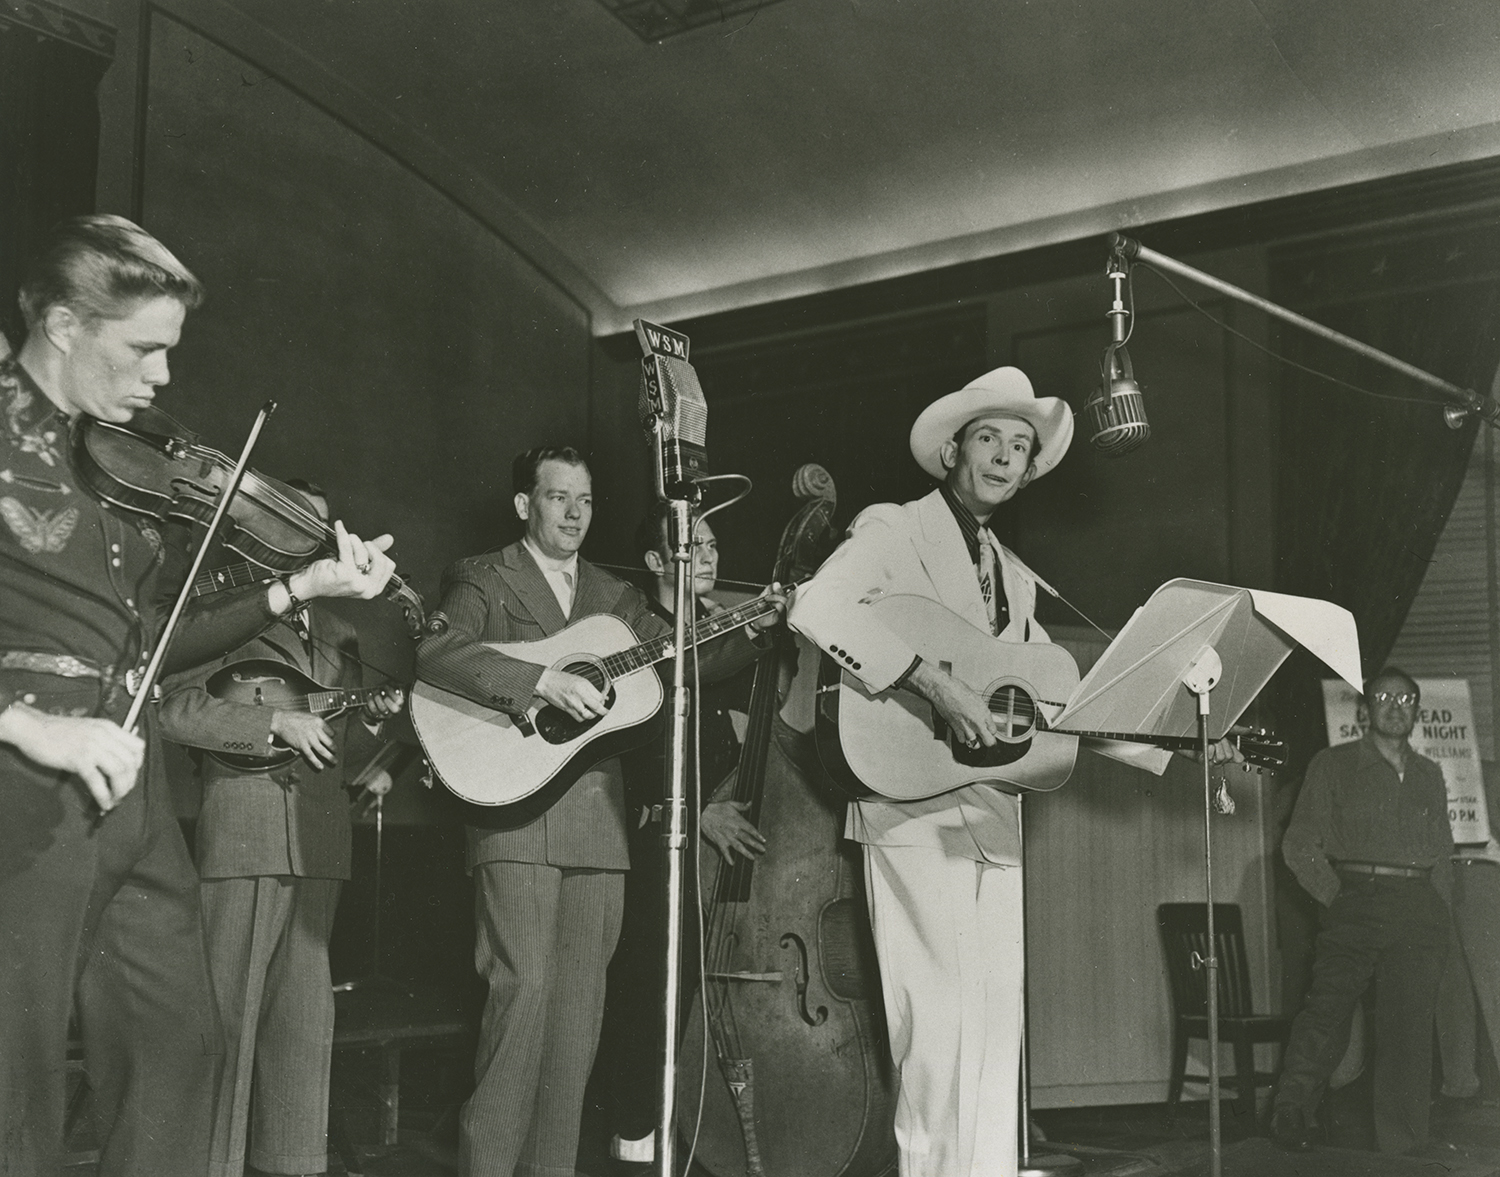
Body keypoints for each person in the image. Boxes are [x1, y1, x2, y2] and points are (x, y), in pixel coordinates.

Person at [0, 215, 397, 1177]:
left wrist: (302, 588)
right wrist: (27, 726)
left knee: (181, 1050)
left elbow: (158, 642)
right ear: (60, 323)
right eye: (143, 348)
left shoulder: (123, 466)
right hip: (23, 791)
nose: (163, 378)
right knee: (18, 1089)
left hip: (131, 796)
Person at [415, 445, 784, 1177]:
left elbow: (686, 662)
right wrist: (539, 678)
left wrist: (755, 625)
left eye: (585, 500)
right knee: (521, 1006)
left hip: (600, 826)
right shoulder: (484, 577)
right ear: (526, 504)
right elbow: (435, 649)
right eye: (558, 498)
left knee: (578, 1022)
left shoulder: (616, 598)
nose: (575, 513)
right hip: (512, 817)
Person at [788, 366, 1072, 1177]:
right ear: (952, 448)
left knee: (993, 1036)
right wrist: (933, 682)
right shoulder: (895, 526)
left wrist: (1176, 738)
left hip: (994, 816)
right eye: (990, 438)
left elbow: (1044, 704)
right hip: (910, 808)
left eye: (1021, 447)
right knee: (938, 1034)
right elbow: (817, 606)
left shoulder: (1015, 576)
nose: (1007, 457)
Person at [158, 479, 405, 1177]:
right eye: (295, 527)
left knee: (303, 1038)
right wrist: (272, 722)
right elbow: (173, 709)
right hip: (242, 840)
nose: (311, 541)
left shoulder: (338, 629)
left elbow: (338, 750)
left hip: (319, 843)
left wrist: (372, 719)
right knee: (224, 1033)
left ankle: (295, 1165)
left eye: (320, 531)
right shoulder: (225, 614)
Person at [596, 505, 764, 1172]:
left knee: (690, 1005)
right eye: (695, 543)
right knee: (649, 1002)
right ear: (660, 561)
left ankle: (691, 1141)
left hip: (716, 846)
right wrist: (697, 815)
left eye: (716, 541)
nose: (712, 554)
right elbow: (635, 758)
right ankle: (635, 1150)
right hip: (657, 842)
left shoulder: (717, 628)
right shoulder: (645, 636)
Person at [1271, 667, 1453, 1154]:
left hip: (1417, 907)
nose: (1395, 706)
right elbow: (1299, 846)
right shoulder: (1333, 765)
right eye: (1384, 697)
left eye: (1406, 698)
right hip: (1355, 898)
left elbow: (1441, 848)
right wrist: (1339, 898)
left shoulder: (1430, 774)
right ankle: (1291, 1111)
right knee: (1326, 1011)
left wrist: (1435, 910)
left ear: (1417, 710)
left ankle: (1403, 1150)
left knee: (1408, 1034)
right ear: (1364, 710)